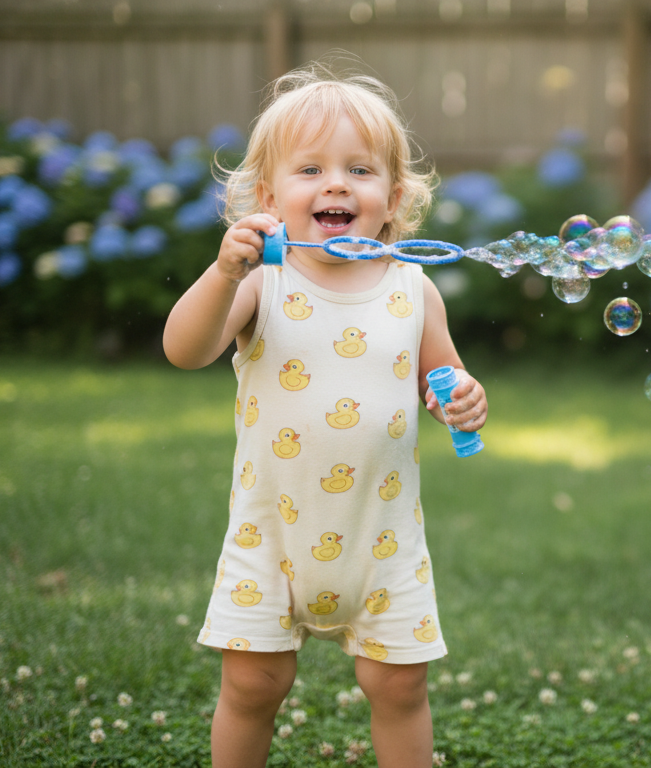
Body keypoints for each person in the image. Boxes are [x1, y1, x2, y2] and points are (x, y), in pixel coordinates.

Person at [162, 62, 487, 768]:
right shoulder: (261, 283)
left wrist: (462, 399)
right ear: (267, 197)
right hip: (270, 535)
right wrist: (224, 273)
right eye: (310, 168)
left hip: (384, 541)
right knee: (252, 685)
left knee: (399, 687)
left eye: (360, 170)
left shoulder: (413, 289)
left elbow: (445, 379)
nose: (336, 183)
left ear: (393, 197)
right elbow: (184, 350)